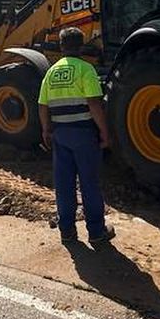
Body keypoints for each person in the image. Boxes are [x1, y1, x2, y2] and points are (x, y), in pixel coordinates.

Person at [38, 27, 113, 244]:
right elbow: (94, 104)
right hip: (84, 135)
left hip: (60, 135)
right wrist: (105, 132)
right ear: (81, 45)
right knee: (90, 183)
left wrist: (46, 130)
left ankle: (67, 231)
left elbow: (42, 106)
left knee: (64, 185)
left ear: (61, 46)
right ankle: (97, 233)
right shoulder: (86, 69)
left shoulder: (51, 72)